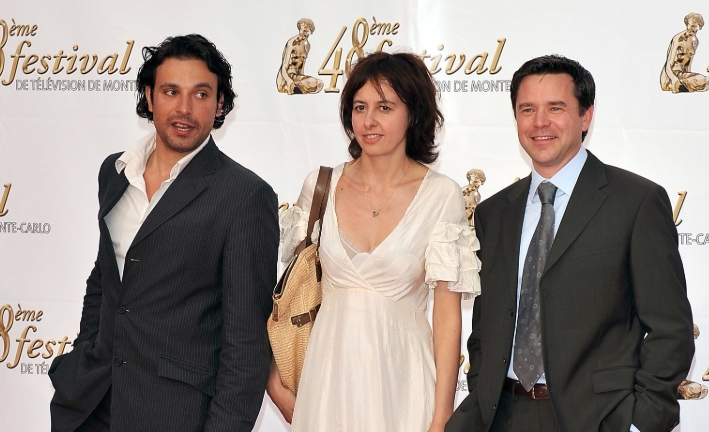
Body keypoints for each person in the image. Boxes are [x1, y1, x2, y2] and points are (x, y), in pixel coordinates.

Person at [446, 55, 695, 432]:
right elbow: (486, 327)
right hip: (501, 416)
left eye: (555, 108)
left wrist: (641, 420)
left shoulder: (636, 202)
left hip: (598, 419)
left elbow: (670, 328)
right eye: (527, 109)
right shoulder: (494, 213)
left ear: (586, 116)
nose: (539, 122)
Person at [48, 34, 279, 432]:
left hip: (175, 415)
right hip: (90, 405)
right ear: (149, 96)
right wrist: (83, 354)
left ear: (220, 103)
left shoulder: (245, 196)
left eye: (201, 94)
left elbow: (245, 345)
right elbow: (105, 279)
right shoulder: (115, 172)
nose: (184, 109)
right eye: (171, 91)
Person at [267, 51, 481, 432]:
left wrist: (442, 415)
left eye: (385, 107)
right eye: (359, 107)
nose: (369, 121)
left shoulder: (441, 195)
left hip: (404, 380)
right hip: (327, 381)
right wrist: (274, 381)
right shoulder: (320, 186)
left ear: (413, 113)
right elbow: (287, 293)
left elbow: (447, 316)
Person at [660, 12, 708, 93]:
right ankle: (677, 85)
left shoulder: (695, 41)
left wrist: (690, 78)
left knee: (706, 80)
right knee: (701, 80)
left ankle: (683, 86)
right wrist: (673, 78)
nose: (692, 28)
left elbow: (688, 65)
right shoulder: (678, 39)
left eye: (695, 26)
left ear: (699, 27)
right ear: (687, 24)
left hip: (682, 75)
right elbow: (668, 64)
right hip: (670, 76)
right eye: (691, 25)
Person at [276, 18, 324, 94]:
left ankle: (295, 88)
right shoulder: (292, 43)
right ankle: (290, 87)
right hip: (285, 78)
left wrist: (303, 80)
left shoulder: (307, 46)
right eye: (303, 30)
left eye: (307, 31)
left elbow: (302, 66)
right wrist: (288, 80)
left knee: (319, 83)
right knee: (310, 84)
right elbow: (284, 66)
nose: (304, 33)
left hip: (296, 77)